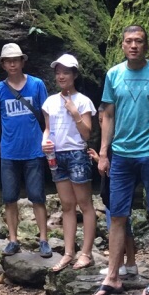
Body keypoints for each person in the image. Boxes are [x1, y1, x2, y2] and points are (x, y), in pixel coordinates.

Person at [90, 24, 149, 295]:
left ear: (146, 45)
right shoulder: (113, 75)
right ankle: (113, 277)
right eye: (129, 41)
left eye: (139, 41)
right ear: (122, 45)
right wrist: (104, 153)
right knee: (117, 214)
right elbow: (107, 115)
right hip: (122, 155)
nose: (134, 46)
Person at [0, 43, 51, 257]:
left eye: (16, 60)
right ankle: (13, 240)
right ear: (3, 64)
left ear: (23, 61)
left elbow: (47, 113)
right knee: (9, 198)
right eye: (8, 60)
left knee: (37, 196)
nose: (12, 64)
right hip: (9, 151)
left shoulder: (37, 85)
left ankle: (43, 239)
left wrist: (48, 137)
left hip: (34, 150)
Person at [41, 53, 97, 273]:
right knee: (66, 205)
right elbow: (48, 129)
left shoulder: (83, 101)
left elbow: (86, 134)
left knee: (85, 204)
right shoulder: (50, 102)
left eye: (66, 72)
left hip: (77, 154)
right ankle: (68, 253)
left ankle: (86, 253)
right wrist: (44, 142)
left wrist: (75, 113)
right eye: (58, 72)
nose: (61, 76)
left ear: (74, 74)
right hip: (56, 155)